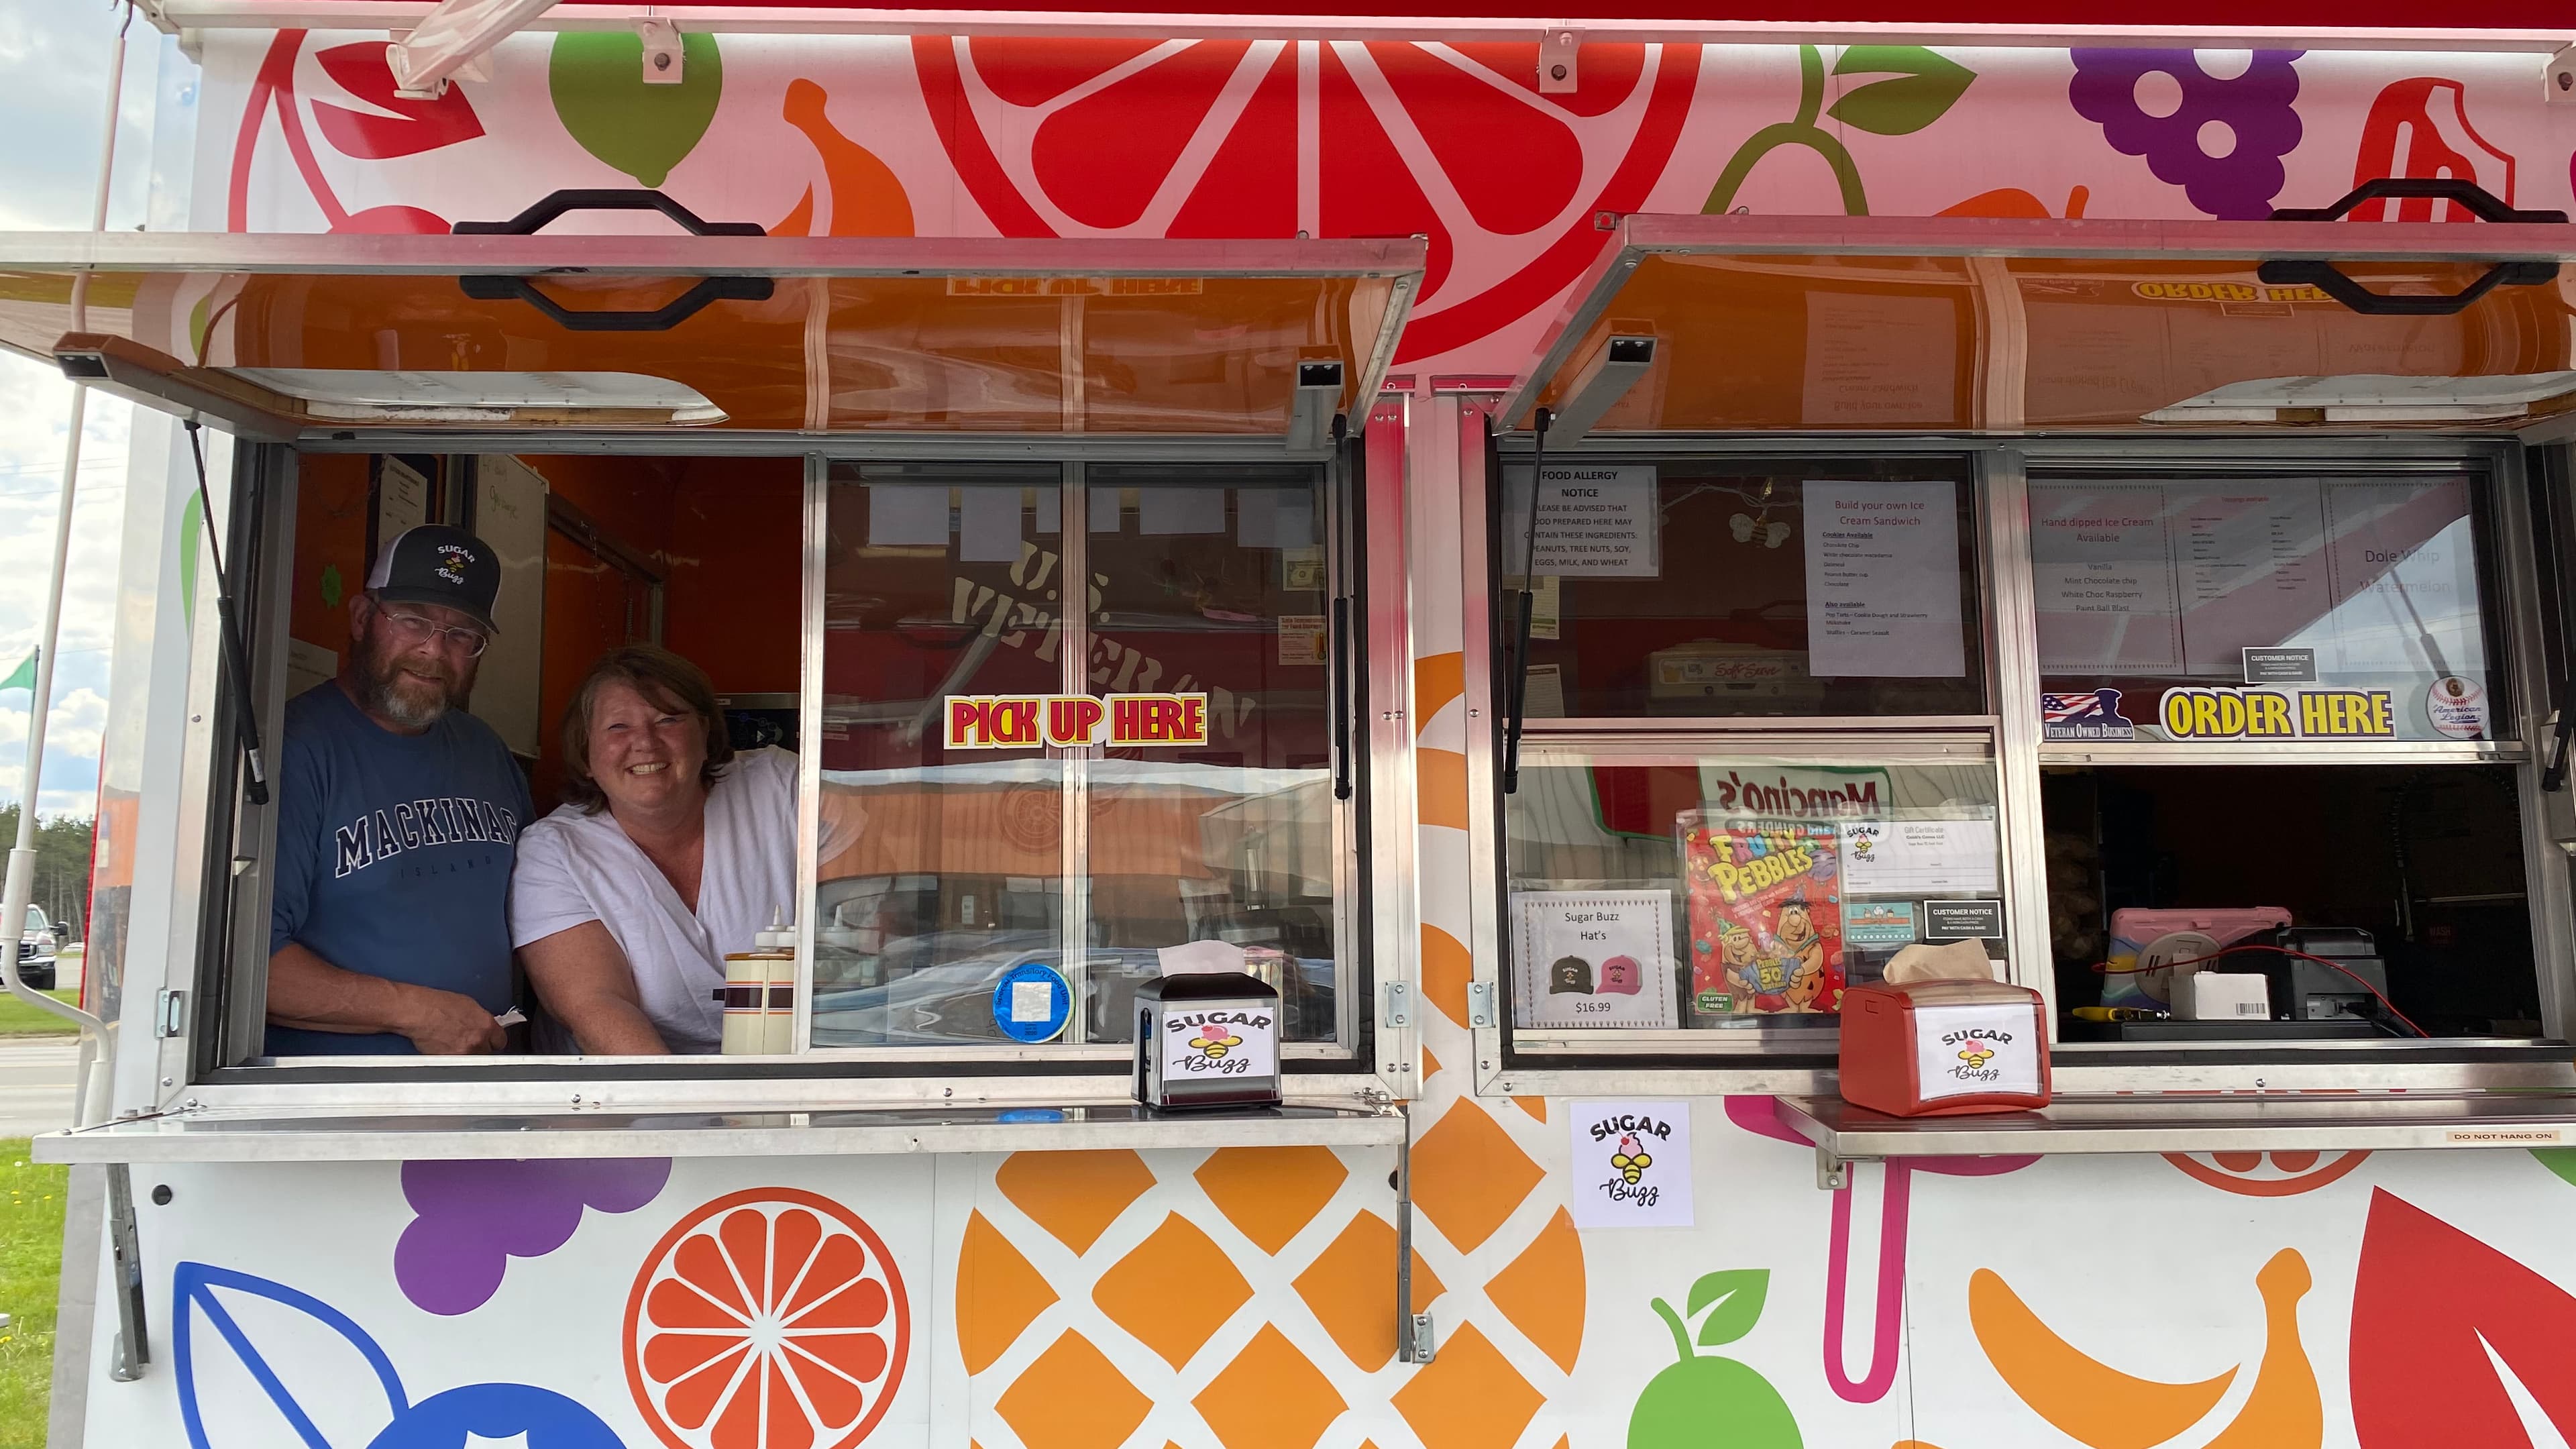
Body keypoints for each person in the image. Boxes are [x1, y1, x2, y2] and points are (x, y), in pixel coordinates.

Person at [266, 525, 533, 1055]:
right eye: (413, 620)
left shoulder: (485, 750)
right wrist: (415, 1013)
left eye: (463, 635)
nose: (434, 650)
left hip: (484, 1092)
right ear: (363, 618)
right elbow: (244, 961)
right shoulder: (296, 750)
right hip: (341, 1104)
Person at [511, 646, 819, 1054]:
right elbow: (595, 1005)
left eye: (668, 719)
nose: (646, 743)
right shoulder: (555, 851)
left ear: (706, 734)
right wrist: (694, 1108)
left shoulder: (782, 787)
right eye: (618, 727)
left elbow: (865, 929)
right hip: (636, 1090)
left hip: (791, 1068)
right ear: (586, 754)